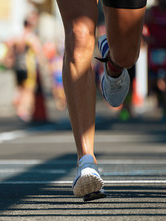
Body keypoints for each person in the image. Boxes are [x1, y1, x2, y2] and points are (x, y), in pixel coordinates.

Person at [56, 0, 146, 201]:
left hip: (122, 56)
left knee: (126, 54)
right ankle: (86, 161)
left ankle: (114, 65)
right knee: (78, 35)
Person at [144, 0, 166, 121]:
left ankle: (165, 107)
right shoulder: (151, 12)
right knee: (154, 81)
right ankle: (159, 100)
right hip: (155, 51)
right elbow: (138, 26)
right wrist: (146, 38)